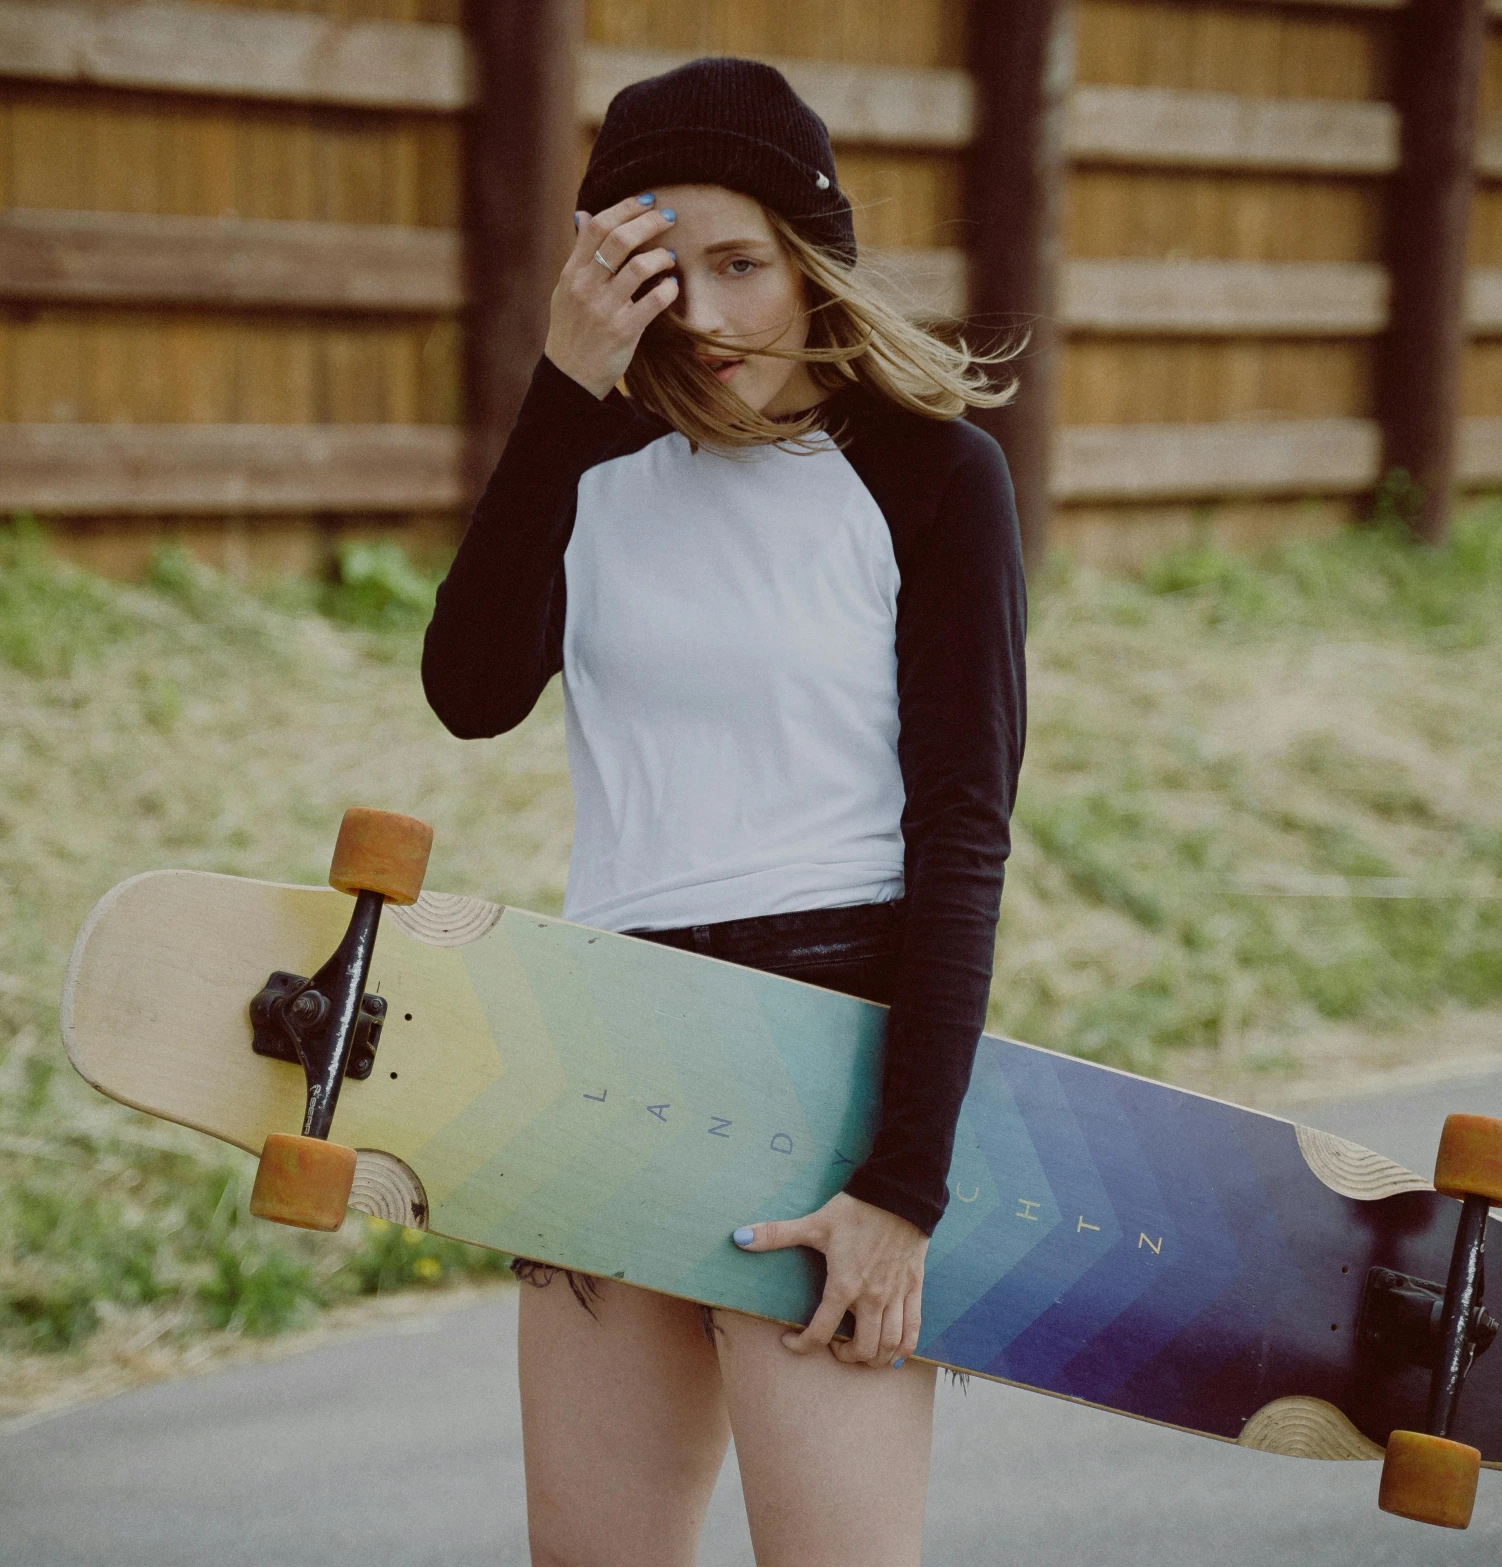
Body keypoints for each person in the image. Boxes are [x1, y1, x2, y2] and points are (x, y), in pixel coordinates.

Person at [419, 56, 1027, 1567]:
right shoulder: (599, 463)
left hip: (822, 1072)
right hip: (608, 1046)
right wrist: (560, 387)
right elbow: (468, 686)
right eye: (655, 269)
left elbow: (962, 842)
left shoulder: (933, 478)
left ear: (813, 256)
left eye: (740, 264)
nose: (700, 312)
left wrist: (899, 1185)